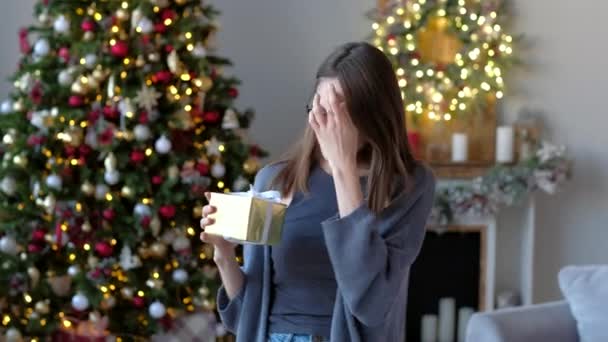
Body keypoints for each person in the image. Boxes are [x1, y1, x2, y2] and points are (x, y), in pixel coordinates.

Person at [200, 41, 436, 342]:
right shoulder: (274, 180)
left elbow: (371, 303)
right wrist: (223, 254)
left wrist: (343, 168)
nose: (325, 123)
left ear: (373, 114)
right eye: (319, 108)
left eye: (338, 114)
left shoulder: (409, 186)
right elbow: (244, 314)